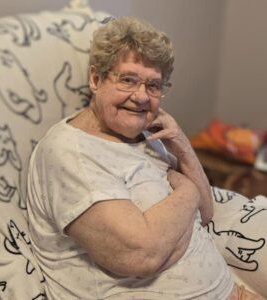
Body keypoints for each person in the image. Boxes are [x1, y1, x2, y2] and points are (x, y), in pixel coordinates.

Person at [26, 17, 262, 299]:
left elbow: (205, 214)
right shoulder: (70, 152)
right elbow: (140, 256)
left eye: (153, 86)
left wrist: (181, 143)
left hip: (228, 290)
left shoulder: (147, 136)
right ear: (95, 78)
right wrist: (186, 192)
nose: (141, 97)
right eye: (127, 80)